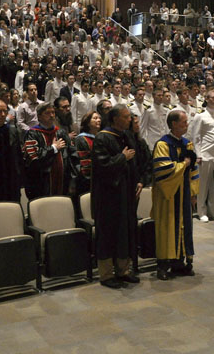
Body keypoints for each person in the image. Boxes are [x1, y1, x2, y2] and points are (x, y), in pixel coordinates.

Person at [92, 105, 142, 288]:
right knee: (108, 233)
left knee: (125, 231)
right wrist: (122, 157)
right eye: (126, 117)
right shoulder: (102, 138)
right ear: (115, 119)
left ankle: (123, 270)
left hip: (126, 193)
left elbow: (135, 162)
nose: (130, 120)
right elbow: (102, 166)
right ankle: (106, 275)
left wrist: (138, 181)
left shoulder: (126, 136)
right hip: (108, 195)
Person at [151, 110, 199, 280]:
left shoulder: (188, 144)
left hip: (184, 193)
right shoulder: (162, 145)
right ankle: (163, 265)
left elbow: (193, 171)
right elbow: (163, 170)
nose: (187, 125)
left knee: (184, 227)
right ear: (173, 124)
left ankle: (179, 263)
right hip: (168, 196)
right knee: (167, 228)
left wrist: (193, 193)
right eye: (184, 122)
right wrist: (183, 164)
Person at [22, 103, 74, 200]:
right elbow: (34, 158)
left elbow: (72, 155)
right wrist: (53, 148)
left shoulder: (60, 132)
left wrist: (73, 179)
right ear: (39, 116)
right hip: (41, 183)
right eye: (47, 113)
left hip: (63, 181)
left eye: (53, 112)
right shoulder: (32, 134)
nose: (51, 115)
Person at [189, 89, 214, 222]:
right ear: (206, 99)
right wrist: (198, 154)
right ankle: (201, 211)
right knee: (203, 184)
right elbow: (196, 137)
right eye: (212, 98)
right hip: (205, 153)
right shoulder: (200, 116)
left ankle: (213, 211)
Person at [74, 111, 101, 195]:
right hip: (87, 182)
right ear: (88, 123)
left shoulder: (101, 138)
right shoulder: (81, 139)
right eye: (95, 118)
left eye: (99, 118)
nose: (99, 120)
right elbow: (84, 164)